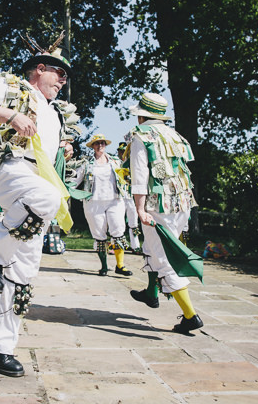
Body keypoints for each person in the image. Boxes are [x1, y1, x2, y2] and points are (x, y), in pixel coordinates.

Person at [0, 36, 80, 377]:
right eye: (59, 74)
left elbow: (48, 148)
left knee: (24, 274)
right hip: (5, 168)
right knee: (47, 198)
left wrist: (64, 150)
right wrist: (11, 115)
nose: (62, 81)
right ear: (39, 70)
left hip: (34, 182)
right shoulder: (11, 86)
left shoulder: (55, 112)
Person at [124, 92, 203, 334]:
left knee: (163, 259)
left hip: (157, 205)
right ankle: (151, 294)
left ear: (141, 115)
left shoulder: (140, 137)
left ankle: (191, 316)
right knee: (155, 248)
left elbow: (140, 176)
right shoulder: (175, 136)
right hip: (181, 203)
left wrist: (139, 208)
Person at [71, 134, 133, 277]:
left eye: (102, 143)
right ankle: (104, 266)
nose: (100, 146)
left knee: (118, 230)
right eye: (97, 143)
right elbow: (75, 181)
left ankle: (120, 265)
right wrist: (66, 190)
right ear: (93, 146)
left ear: (106, 145)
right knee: (99, 234)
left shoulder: (115, 161)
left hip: (114, 200)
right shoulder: (86, 164)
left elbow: (126, 175)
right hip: (94, 202)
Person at [116, 142, 143, 255]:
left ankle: (135, 246)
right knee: (117, 222)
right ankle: (116, 245)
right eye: (120, 151)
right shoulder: (115, 163)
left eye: (124, 151)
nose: (121, 153)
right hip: (119, 196)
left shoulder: (134, 163)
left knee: (133, 223)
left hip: (131, 196)